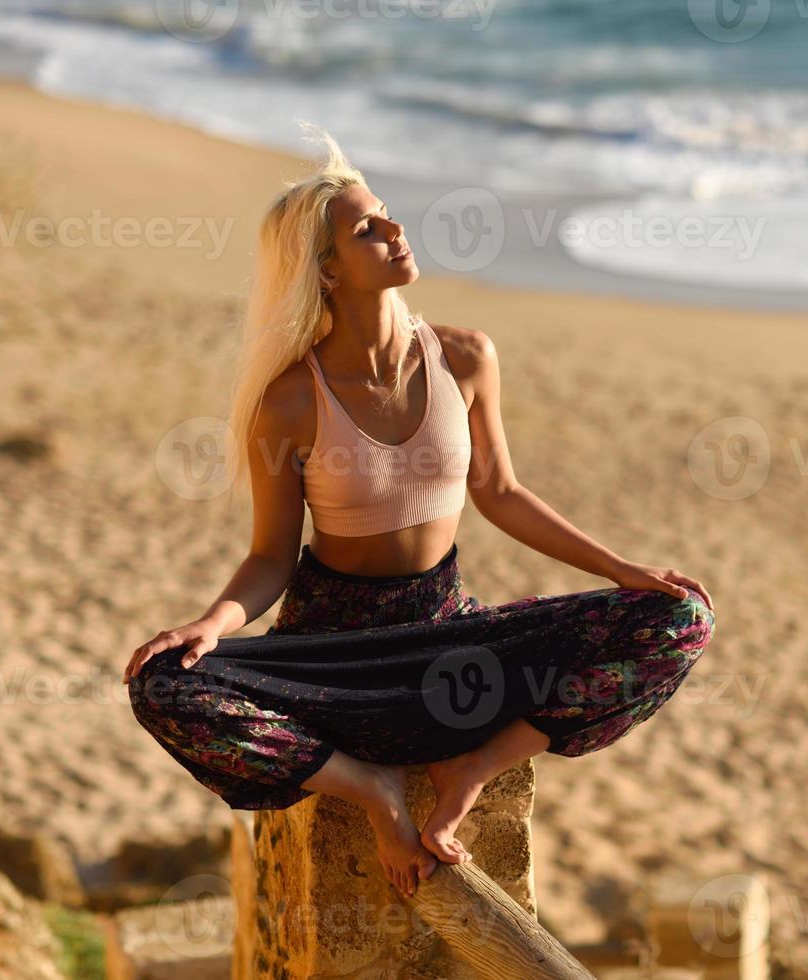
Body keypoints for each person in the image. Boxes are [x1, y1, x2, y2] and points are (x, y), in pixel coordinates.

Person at [122, 122, 715, 900]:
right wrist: (212, 622)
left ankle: (472, 766)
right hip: (331, 661)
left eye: (388, 214)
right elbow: (272, 556)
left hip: (448, 646)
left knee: (683, 618)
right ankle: (371, 790)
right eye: (367, 229)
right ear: (325, 271)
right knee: (161, 684)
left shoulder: (464, 356)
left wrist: (619, 569)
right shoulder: (292, 401)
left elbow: (499, 492)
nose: (396, 231)